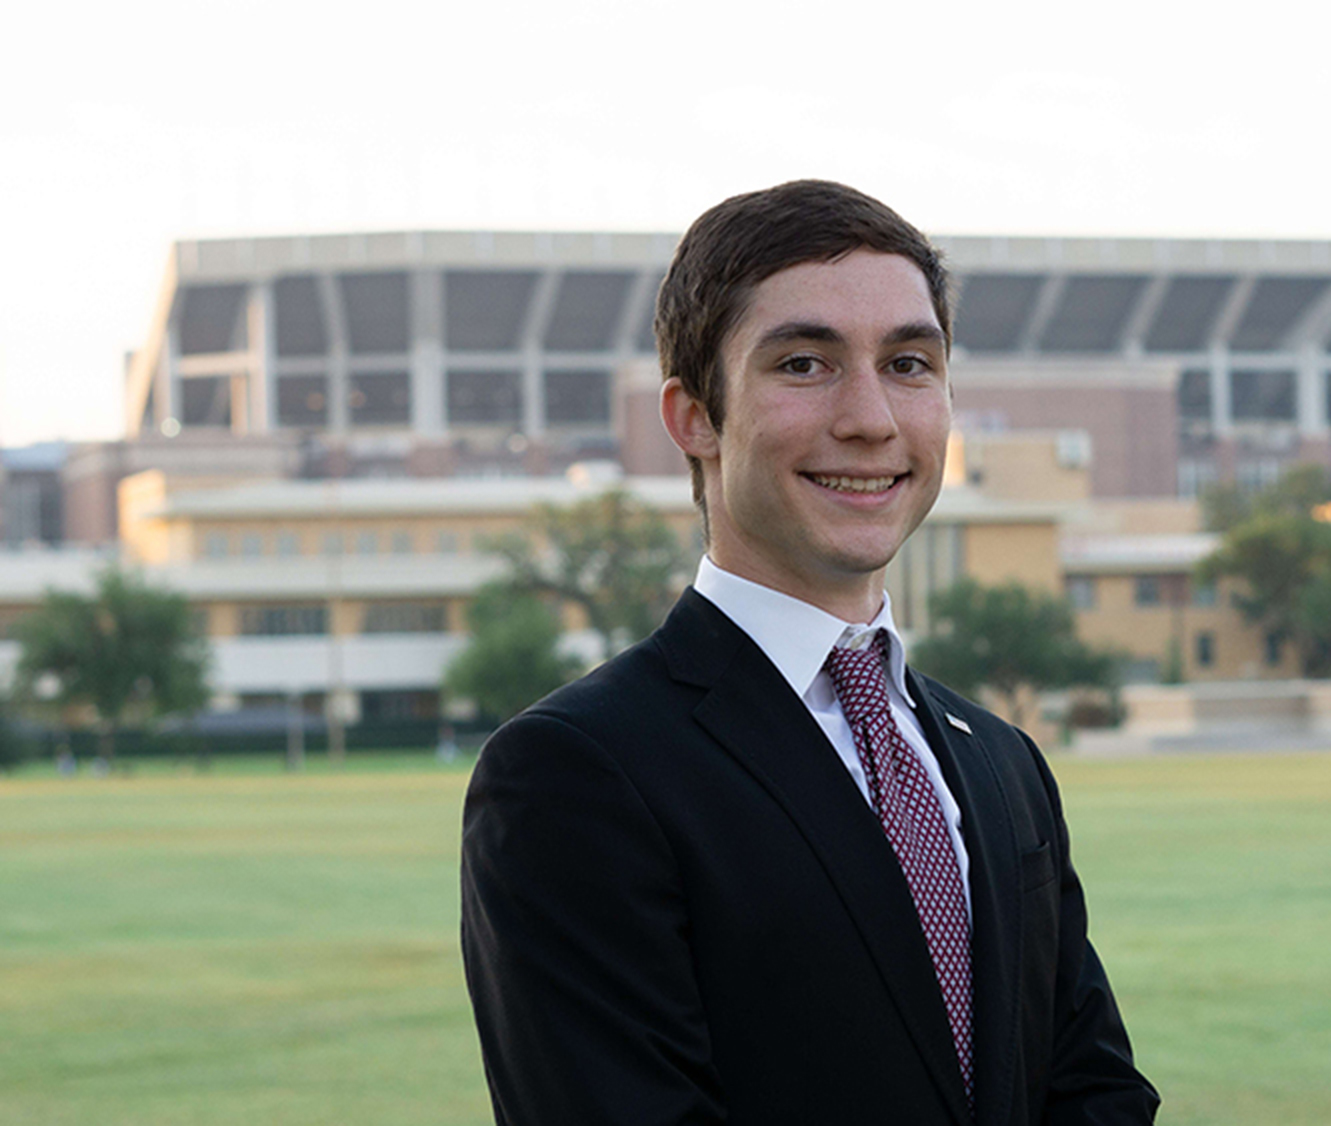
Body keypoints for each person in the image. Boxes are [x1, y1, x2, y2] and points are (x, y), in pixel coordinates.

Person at [460, 180, 1158, 1126]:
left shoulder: (1001, 761)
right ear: (693, 417)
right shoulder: (578, 772)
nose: (871, 418)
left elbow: (1095, 1091)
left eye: (909, 363)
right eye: (804, 363)